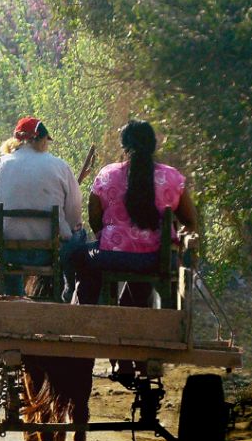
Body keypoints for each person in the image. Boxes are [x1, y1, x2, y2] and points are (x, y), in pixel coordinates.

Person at [71, 119, 199, 308]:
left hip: (112, 256)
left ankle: (86, 312)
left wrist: (107, 237)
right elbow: (190, 221)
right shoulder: (172, 178)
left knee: (80, 256)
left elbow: (95, 218)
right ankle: (133, 312)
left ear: (124, 147)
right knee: (141, 274)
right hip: (156, 259)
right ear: (153, 146)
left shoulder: (107, 175)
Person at [0, 116, 84, 299]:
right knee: (79, 235)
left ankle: (12, 299)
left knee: (6, 258)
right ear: (41, 140)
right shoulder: (60, 167)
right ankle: (67, 295)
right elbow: (74, 216)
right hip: (49, 255)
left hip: (10, 255)